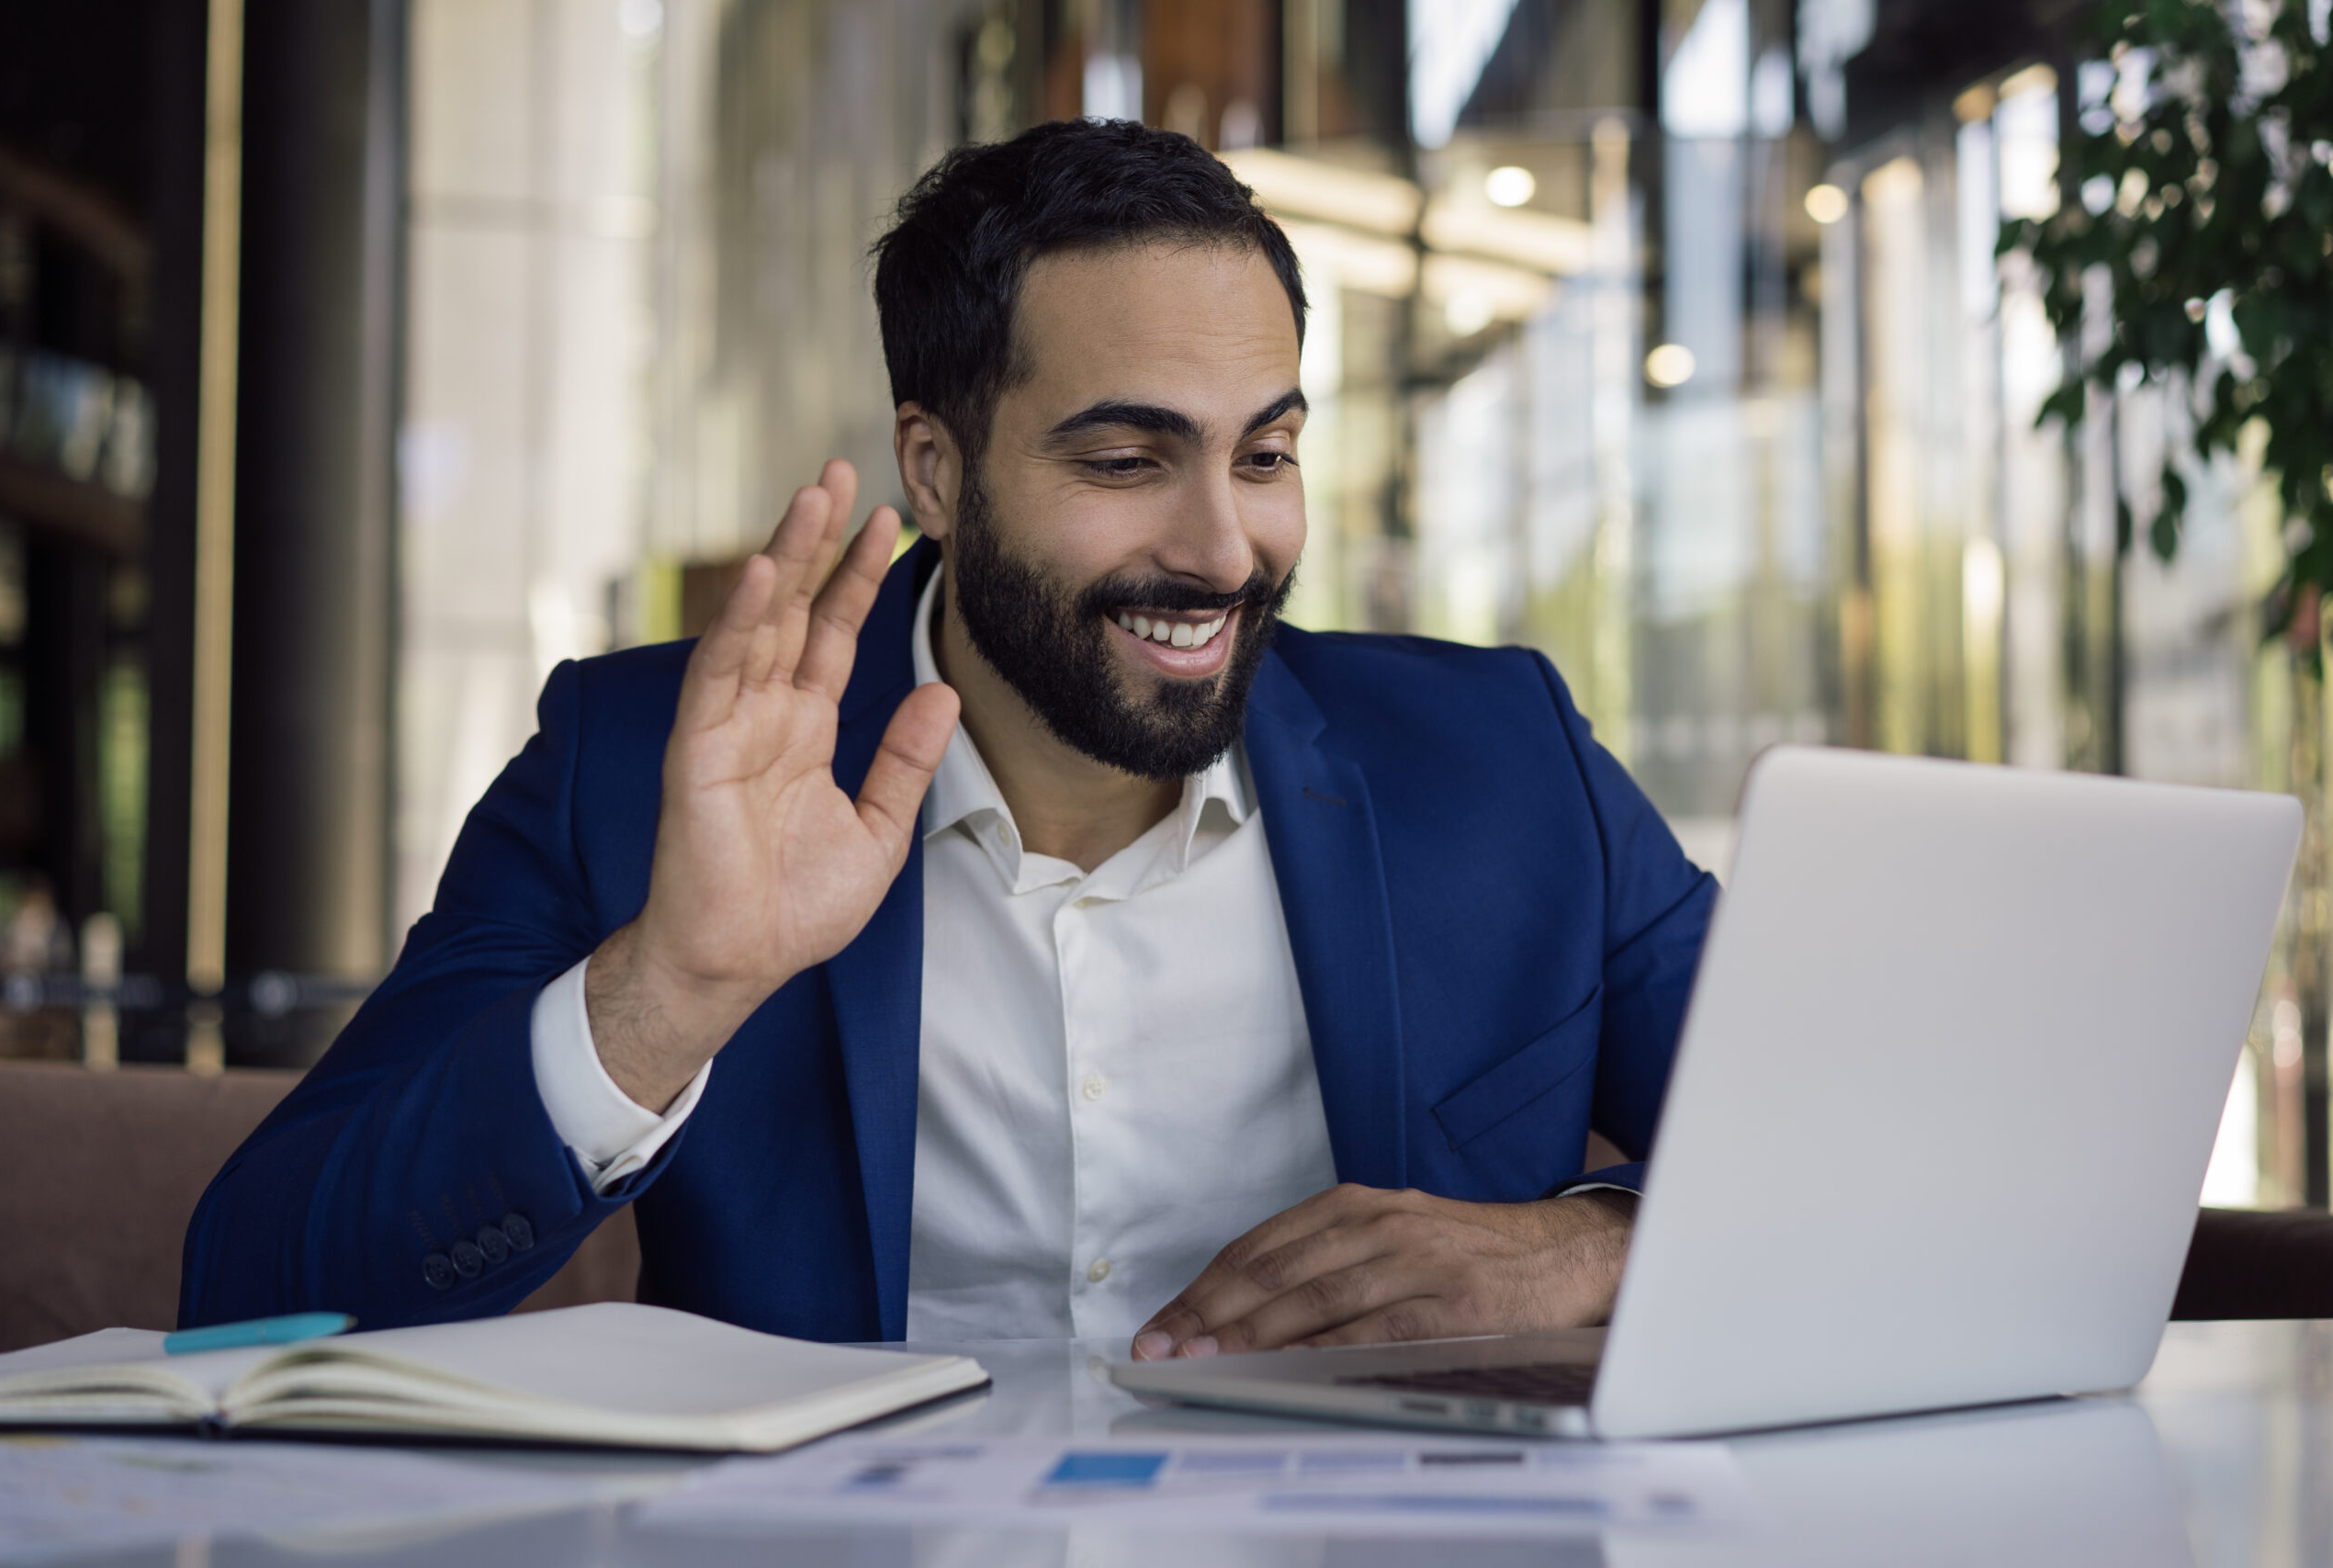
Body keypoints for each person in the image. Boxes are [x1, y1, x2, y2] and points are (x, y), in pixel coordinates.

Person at [181, 119, 1714, 1359]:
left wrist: (1580, 1248)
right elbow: (255, 1293)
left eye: (1265, 455)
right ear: (939, 465)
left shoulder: (1506, 763)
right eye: (1126, 458)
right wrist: (670, 991)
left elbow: (1894, 1175)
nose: (1225, 548)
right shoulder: (646, 760)